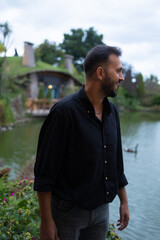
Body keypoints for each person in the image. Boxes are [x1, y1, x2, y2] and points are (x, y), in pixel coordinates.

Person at [34, 45, 129, 240]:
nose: (122, 77)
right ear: (100, 73)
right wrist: (46, 221)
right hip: (67, 214)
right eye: (118, 71)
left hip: (102, 212)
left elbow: (116, 161)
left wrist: (124, 201)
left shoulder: (112, 112)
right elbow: (44, 173)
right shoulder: (63, 113)